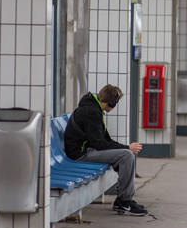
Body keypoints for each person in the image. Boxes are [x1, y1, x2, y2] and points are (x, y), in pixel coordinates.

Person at [63, 85, 147, 216]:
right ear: (112, 102)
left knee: (125, 154)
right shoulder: (91, 112)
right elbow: (100, 144)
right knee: (126, 156)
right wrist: (127, 148)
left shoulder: (94, 109)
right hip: (80, 154)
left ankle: (122, 200)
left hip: (85, 150)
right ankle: (125, 201)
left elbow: (106, 140)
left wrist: (125, 148)